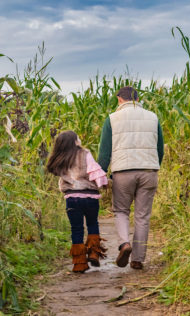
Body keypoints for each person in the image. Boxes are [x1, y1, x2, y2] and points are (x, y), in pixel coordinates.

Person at [98, 86, 164, 270]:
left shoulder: (112, 119)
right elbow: (160, 149)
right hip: (149, 171)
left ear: (119, 99)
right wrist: (154, 165)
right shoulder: (153, 117)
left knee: (121, 211)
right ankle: (138, 259)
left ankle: (124, 244)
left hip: (123, 172)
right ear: (137, 98)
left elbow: (104, 152)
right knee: (142, 216)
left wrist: (101, 173)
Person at [47, 130, 108, 273]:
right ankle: (93, 253)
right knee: (93, 223)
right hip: (90, 196)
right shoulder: (85, 154)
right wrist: (102, 183)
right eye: (78, 138)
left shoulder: (61, 158)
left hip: (72, 198)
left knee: (76, 229)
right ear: (75, 141)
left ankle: (79, 263)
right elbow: (95, 171)